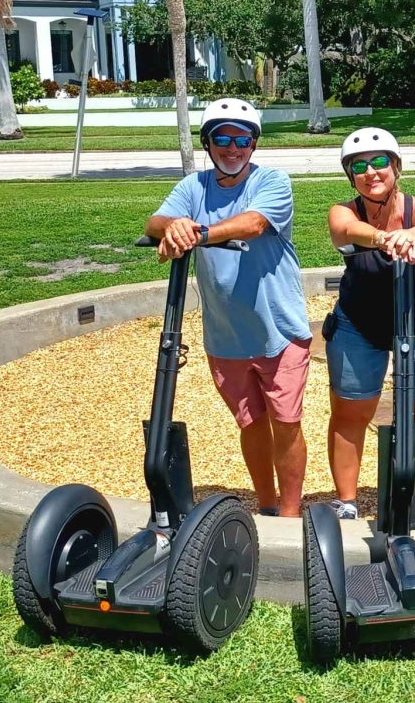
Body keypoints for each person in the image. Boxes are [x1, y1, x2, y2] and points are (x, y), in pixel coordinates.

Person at [145, 98, 311, 518]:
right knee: (251, 424)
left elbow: (254, 224)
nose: (233, 147)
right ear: (207, 141)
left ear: (254, 145)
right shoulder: (193, 187)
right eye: (223, 137)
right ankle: (268, 506)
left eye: (243, 139)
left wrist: (194, 234)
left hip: (279, 330)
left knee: (286, 423)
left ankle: (290, 515)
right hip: (226, 335)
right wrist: (173, 226)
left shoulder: (272, 181)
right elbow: (154, 223)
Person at [322, 127, 415, 521]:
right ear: (351, 175)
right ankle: (348, 502)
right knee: (351, 413)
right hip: (359, 326)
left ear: (397, 167)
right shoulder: (346, 210)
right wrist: (383, 238)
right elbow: (344, 231)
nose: (372, 172)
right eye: (360, 166)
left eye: (381, 162)